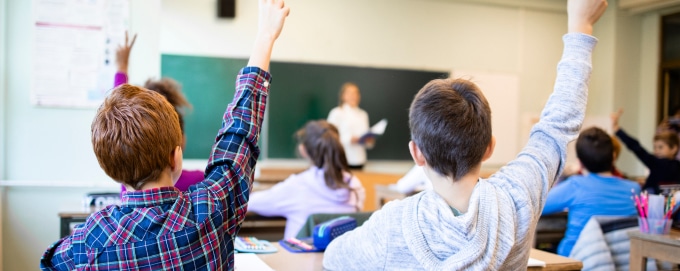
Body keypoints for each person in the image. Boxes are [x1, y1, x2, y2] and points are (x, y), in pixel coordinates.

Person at [323, 0, 608, 269]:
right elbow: (558, 125)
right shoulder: (517, 195)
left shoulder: (391, 225)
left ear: (416, 154)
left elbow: (334, 258)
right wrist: (580, 27)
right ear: (489, 147)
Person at [40, 0, 289, 269]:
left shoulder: (87, 243)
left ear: (111, 170)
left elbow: (49, 262)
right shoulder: (211, 209)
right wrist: (266, 35)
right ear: (176, 158)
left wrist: (121, 69)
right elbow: (238, 133)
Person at [114, 33, 204, 193]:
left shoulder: (128, 179)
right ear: (180, 145)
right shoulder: (197, 182)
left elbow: (118, 114)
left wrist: (122, 68)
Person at [248, 120, 366, 239]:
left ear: (303, 150)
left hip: (299, 256)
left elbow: (251, 202)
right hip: (340, 256)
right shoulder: (355, 185)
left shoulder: (298, 185)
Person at [542, 127, 641, 257]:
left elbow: (538, 206)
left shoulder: (576, 185)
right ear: (613, 156)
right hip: (623, 260)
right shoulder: (635, 189)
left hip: (577, 260)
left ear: (580, 162)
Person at [612, 109, 680, 194]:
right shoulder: (677, 166)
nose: (657, 151)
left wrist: (618, 130)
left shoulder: (656, 163)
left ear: (674, 148)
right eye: (655, 147)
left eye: (660, 147)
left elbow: (636, 147)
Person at [327, 82, 371, 169]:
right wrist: (349, 139)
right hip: (341, 160)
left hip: (359, 160)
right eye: (350, 93)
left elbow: (366, 140)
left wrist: (369, 141)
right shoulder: (336, 113)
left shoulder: (363, 114)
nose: (354, 96)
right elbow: (329, 137)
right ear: (343, 96)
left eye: (356, 93)